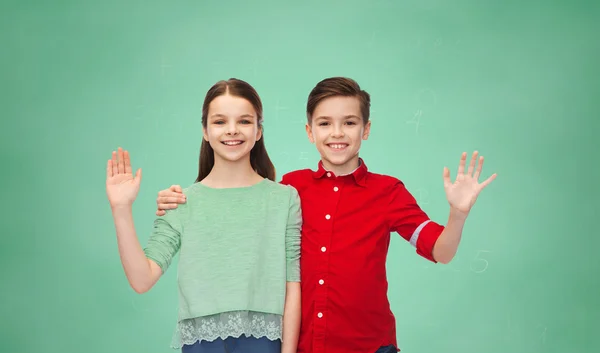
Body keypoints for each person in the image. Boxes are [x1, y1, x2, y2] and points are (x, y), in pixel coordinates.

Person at [153, 77, 497, 353]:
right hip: (302, 345)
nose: (337, 133)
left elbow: (441, 250)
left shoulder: (388, 191)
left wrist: (457, 214)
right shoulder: (291, 189)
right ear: (310, 131)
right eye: (325, 123)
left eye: (349, 123)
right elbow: (239, 213)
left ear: (366, 129)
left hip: (369, 345)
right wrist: (180, 201)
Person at [105, 78, 302, 353]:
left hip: (265, 343)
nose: (232, 130)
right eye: (220, 121)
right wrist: (121, 209)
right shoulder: (182, 202)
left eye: (244, 121)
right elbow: (142, 279)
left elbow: (293, 286)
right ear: (205, 131)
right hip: (201, 345)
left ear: (258, 131)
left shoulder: (285, 200)